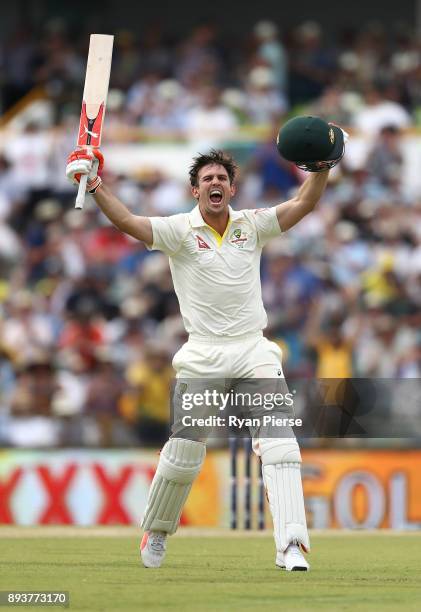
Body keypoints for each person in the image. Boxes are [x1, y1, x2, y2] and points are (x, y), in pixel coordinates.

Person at [66, 116, 346, 572]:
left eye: (222, 178)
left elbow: (305, 204)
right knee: (185, 450)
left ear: (232, 189)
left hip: (254, 348)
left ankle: (292, 544)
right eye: (206, 179)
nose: (215, 183)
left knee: (280, 445)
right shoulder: (179, 231)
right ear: (195, 190)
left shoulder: (252, 225)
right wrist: (95, 183)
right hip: (203, 352)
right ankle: (156, 531)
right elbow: (129, 222)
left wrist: (325, 165)